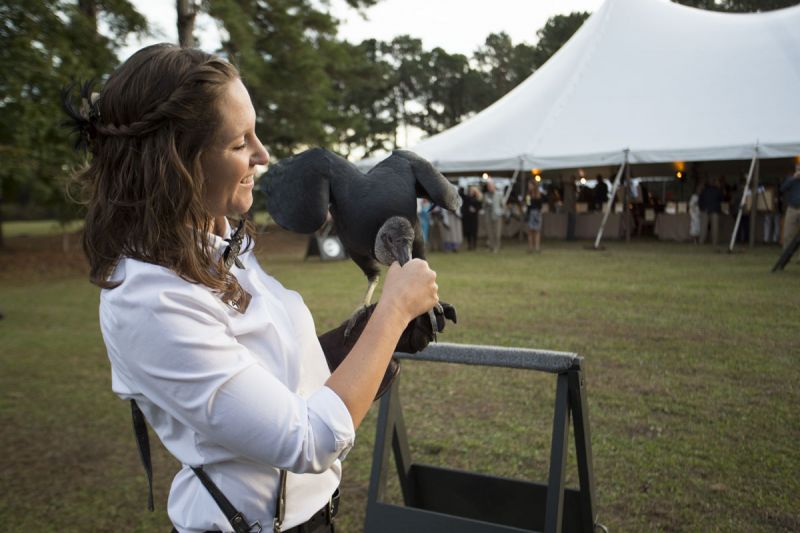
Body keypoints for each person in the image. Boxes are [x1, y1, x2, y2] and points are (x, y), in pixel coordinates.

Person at [61, 44, 446, 533]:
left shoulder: (217, 246)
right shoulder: (148, 300)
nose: (263, 155)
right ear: (176, 161)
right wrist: (391, 310)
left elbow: (276, 383)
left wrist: (369, 338)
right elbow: (308, 439)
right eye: (240, 142)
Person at [482, 178, 506, 253]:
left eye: (491, 186)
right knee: (490, 232)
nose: (490, 187)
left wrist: (501, 212)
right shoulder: (486, 195)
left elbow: (503, 205)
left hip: (497, 216)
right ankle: (491, 247)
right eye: (488, 186)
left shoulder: (499, 194)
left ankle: (496, 247)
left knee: (497, 232)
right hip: (488, 215)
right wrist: (486, 203)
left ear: (494, 186)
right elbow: (483, 206)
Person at [780, 162, 800, 250]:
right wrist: (793, 178)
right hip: (792, 208)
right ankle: (786, 255)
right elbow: (782, 189)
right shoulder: (791, 179)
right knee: (788, 233)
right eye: (798, 169)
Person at [698, 177, 723, 246]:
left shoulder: (704, 191)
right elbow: (722, 198)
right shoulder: (717, 191)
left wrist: (702, 208)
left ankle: (701, 241)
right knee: (714, 227)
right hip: (714, 210)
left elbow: (700, 200)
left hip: (705, 210)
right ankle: (714, 242)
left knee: (703, 227)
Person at [460, 185, 482, 250]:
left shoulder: (477, 198)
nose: (471, 191)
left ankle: (474, 245)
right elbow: (461, 194)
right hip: (467, 217)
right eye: (470, 190)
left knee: (474, 231)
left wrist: (475, 209)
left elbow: (479, 207)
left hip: (474, 217)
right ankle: (469, 245)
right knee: (468, 231)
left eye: (473, 190)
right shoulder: (466, 198)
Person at [526, 179, 543, 253]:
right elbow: (528, 205)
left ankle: (537, 247)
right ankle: (531, 247)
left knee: (536, 231)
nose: (529, 186)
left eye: (530, 185)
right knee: (530, 231)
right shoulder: (528, 195)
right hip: (531, 213)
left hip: (536, 214)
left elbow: (540, 206)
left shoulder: (538, 195)